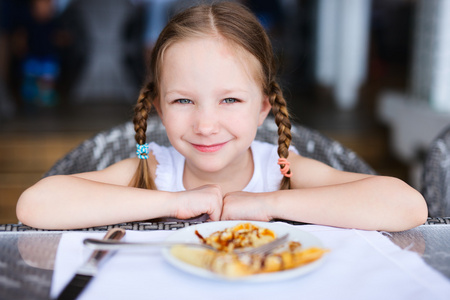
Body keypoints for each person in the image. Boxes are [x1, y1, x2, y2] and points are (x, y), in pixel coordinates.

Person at [16, 2, 427, 231]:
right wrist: (173, 202)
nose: (206, 125)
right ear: (158, 106)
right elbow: (35, 205)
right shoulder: (153, 167)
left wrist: (266, 205)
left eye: (229, 100)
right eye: (183, 101)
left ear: (263, 107)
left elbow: (407, 206)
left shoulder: (281, 169)